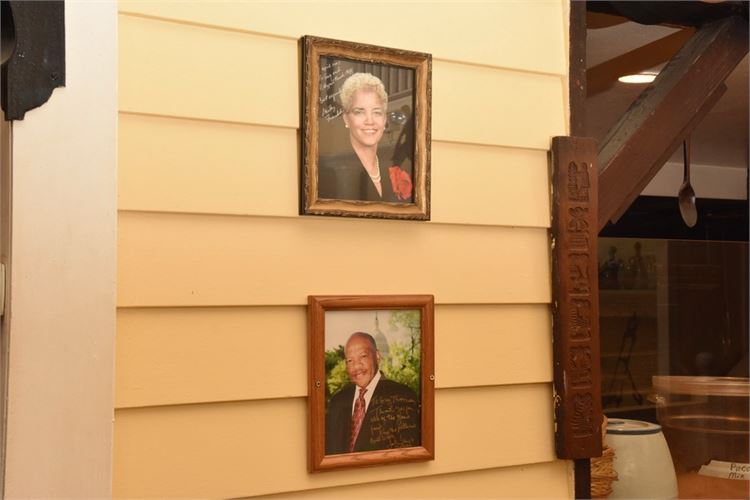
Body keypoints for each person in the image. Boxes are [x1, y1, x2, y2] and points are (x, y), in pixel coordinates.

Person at [318, 72, 410, 203]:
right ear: (346, 119)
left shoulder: (394, 168)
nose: (370, 121)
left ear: (384, 119)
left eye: (377, 112)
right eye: (359, 112)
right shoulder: (340, 170)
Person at [325, 332, 420, 455]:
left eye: (363, 356)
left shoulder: (403, 398)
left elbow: (406, 456)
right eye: (350, 360)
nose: (356, 366)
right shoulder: (337, 401)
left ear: (377, 356)